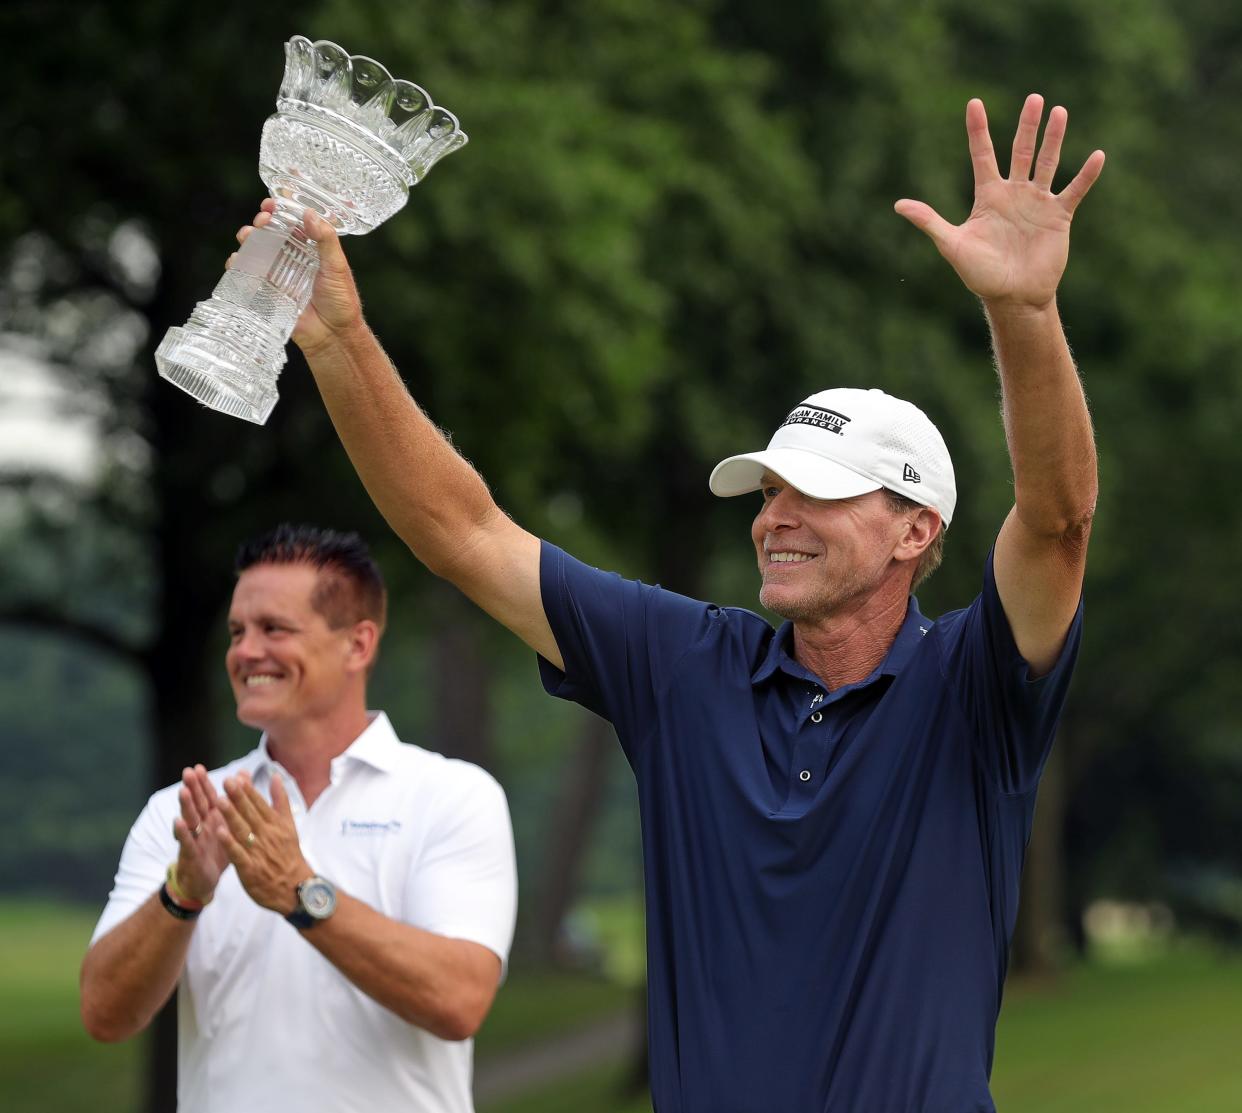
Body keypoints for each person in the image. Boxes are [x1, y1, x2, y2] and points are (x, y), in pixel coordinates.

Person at [236, 94, 1102, 1111]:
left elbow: (1055, 523)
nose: (774, 515)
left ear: (916, 532)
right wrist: (339, 339)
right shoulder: (689, 665)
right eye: (767, 489)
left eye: (814, 493)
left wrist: (1025, 312)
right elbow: (464, 535)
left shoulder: (976, 690)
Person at [80, 525, 518, 1113]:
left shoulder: (452, 796)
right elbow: (105, 1014)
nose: (245, 652)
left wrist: (299, 893)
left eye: (274, 629)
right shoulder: (185, 810)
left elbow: (460, 1000)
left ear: (358, 645)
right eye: (237, 632)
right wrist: (182, 894)